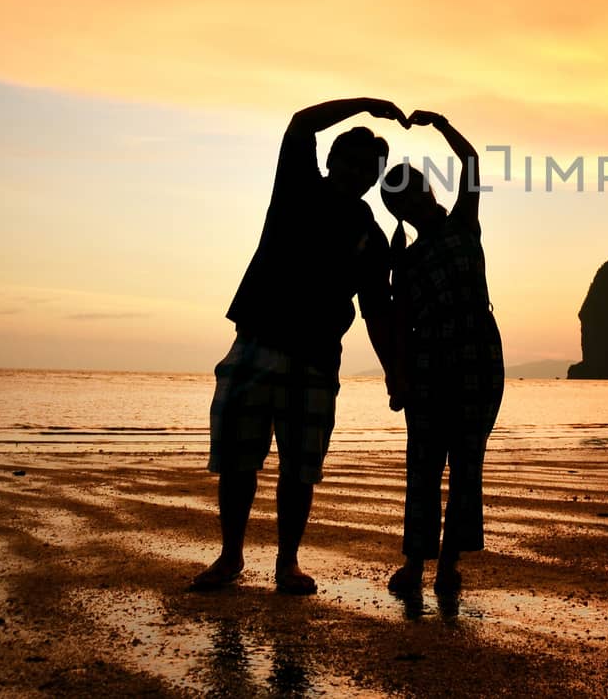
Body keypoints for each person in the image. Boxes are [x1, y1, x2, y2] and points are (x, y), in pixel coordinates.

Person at [191, 96, 405, 595]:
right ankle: (230, 557)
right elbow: (301, 122)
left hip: (315, 358)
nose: (355, 172)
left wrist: (395, 371)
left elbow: (377, 310)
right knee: (239, 459)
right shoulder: (297, 187)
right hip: (257, 342)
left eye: (366, 169)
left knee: (299, 467)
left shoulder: (371, 238)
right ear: (331, 161)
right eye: (348, 161)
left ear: (373, 179)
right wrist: (368, 106)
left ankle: (287, 563)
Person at [381, 109, 505, 598]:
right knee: (424, 465)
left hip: (478, 353)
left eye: (415, 190)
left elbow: (472, 163)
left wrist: (442, 125)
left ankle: (448, 565)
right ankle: (414, 565)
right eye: (401, 200)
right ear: (399, 212)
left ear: (428, 191)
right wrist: (400, 378)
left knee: (467, 464)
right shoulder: (405, 261)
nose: (412, 201)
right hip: (431, 361)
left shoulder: (462, 225)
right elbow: (401, 327)